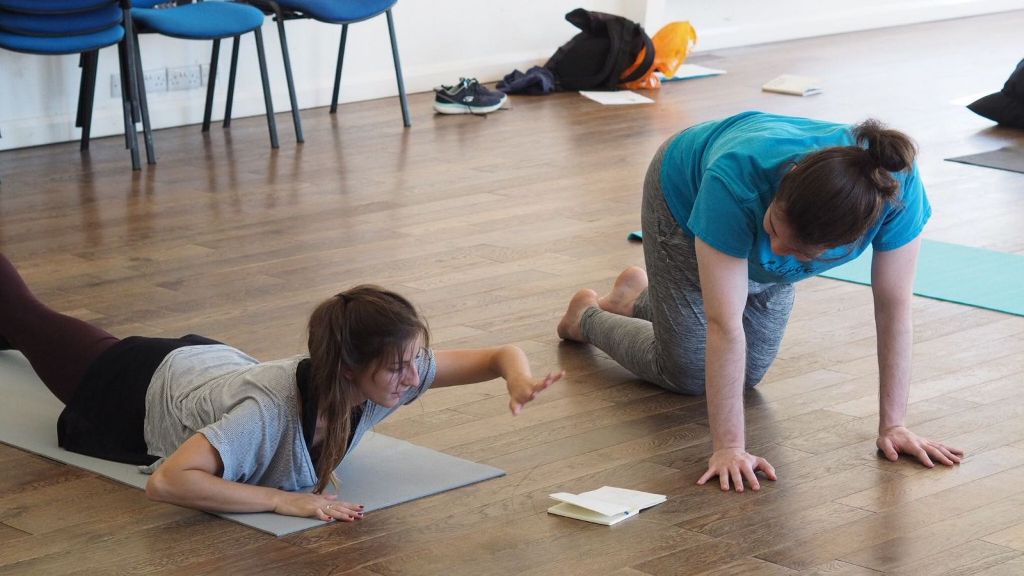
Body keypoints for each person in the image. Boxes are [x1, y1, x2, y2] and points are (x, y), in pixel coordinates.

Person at [558, 111, 964, 492]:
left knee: (746, 374)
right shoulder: (733, 183)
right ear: (788, 180)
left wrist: (894, 426)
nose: (772, 250)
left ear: (844, 242)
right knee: (687, 373)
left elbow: (894, 308)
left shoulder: (896, 190)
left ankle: (638, 299)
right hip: (682, 194)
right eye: (772, 228)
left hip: (764, 214)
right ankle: (586, 318)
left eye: (798, 252)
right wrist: (730, 448)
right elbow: (724, 324)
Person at [0, 254, 562, 521]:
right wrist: (282, 500)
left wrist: (518, 380)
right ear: (348, 368)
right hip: (132, 383)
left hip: (212, 367)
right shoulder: (267, 415)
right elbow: (169, 482)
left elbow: (498, 355)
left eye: (415, 361)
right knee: (23, 314)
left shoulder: (384, 376)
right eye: (398, 368)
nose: (414, 378)